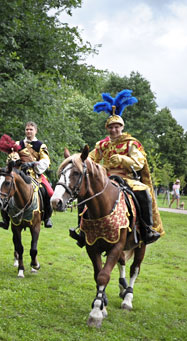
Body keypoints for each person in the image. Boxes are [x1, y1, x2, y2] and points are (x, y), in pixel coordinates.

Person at [69, 89, 163, 246]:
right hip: (106, 178)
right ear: (107, 129)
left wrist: (122, 159)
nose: (114, 130)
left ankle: (147, 229)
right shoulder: (102, 144)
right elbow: (90, 158)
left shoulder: (131, 143)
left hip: (127, 178)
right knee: (84, 194)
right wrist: (77, 159)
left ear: (122, 127)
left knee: (143, 191)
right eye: (111, 127)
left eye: (116, 127)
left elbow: (139, 162)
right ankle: (82, 230)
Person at [0, 121, 54, 229]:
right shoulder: (19, 144)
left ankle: (46, 217)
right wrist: (13, 161)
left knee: (49, 192)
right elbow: (11, 157)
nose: (28, 131)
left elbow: (45, 161)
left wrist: (33, 164)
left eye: (31, 129)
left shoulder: (41, 145)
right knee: (6, 191)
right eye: (27, 129)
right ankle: (5, 219)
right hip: (19, 174)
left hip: (35, 175)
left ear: (35, 131)